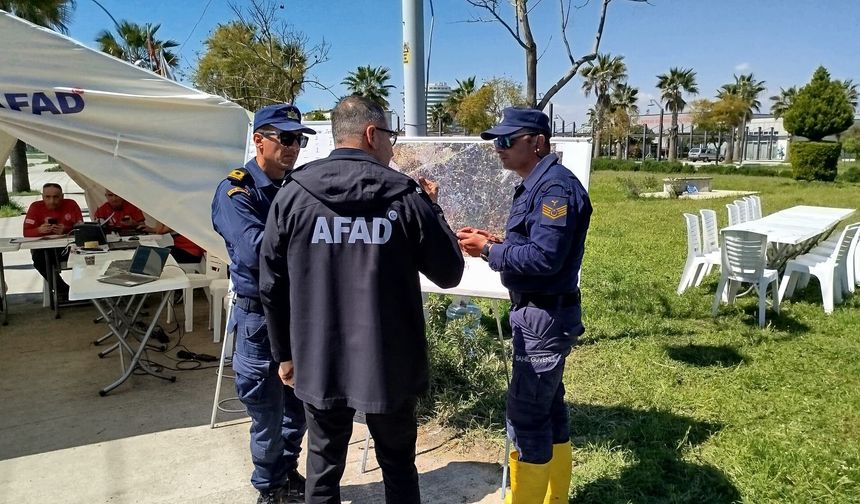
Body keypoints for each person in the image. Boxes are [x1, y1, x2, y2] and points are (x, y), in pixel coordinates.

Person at [258, 95, 464, 503]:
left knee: (323, 466)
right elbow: (449, 271)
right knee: (398, 465)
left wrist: (285, 353)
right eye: (390, 135)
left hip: (319, 358)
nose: (392, 145)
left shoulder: (292, 195)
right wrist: (433, 209)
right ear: (372, 135)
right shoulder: (406, 196)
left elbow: (271, 284)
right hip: (389, 361)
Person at [457, 107, 592, 503]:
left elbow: (544, 259)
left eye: (505, 140)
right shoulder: (538, 183)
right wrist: (496, 241)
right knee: (549, 410)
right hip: (541, 314)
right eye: (495, 141)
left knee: (527, 418)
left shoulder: (554, 189)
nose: (498, 149)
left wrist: (490, 252)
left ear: (537, 142)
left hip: (544, 316)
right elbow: (536, 245)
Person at [212, 103, 316, 504]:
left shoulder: (299, 186)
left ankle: (287, 472)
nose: (293, 148)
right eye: (286, 139)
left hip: (301, 315)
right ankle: (269, 487)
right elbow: (256, 251)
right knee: (267, 413)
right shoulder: (236, 189)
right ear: (259, 140)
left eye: (299, 140)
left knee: (301, 407)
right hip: (259, 320)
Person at [22, 182, 83, 300]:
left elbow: (81, 228)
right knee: (40, 259)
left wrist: (66, 230)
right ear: (42, 196)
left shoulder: (71, 204)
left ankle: (85, 289)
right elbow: (26, 233)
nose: (52, 201)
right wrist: (39, 230)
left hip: (69, 248)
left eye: (56, 197)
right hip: (46, 250)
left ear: (62, 196)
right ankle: (64, 290)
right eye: (48, 197)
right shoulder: (36, 207)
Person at [139, 222, 204, 264]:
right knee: (154, 254)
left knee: (153, 258)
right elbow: (161, 230)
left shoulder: (176, 217)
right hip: (182, 249)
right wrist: (151, 229)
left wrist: (159, 213)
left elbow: (160, 231)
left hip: (190, 253)